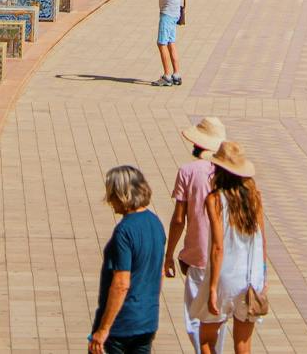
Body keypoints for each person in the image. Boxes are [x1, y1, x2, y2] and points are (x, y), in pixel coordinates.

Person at [90, 163, 165, 354]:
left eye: (111, 193)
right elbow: (159, 272)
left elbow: (121, 283)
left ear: (122, 194)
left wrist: (103, 329)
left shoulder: (124, 231)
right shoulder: (155, 223)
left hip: (122, 323)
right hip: (147, 320)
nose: (109, 199)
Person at [165, 114, 225, 353]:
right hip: (226, 256)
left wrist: (169, 253)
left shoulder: (187, 171)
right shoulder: (229, 172)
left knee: (194, 320)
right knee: (216, 318)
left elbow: (179, 219)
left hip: (198, 254)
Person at [204, 140, 267, 352]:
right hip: (251, 278)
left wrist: (212, 288)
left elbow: (218, 247)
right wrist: (263, 276)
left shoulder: (214, 199)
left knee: (206, 339)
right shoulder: (255, 197)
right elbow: (262, 240)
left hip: (225, 277)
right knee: (243, 344)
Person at [138, 0, 190, 86]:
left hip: (168, 14)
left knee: (162, 43)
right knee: (171, 43)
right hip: (174, 14)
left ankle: (167, 76)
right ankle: (176, 74)